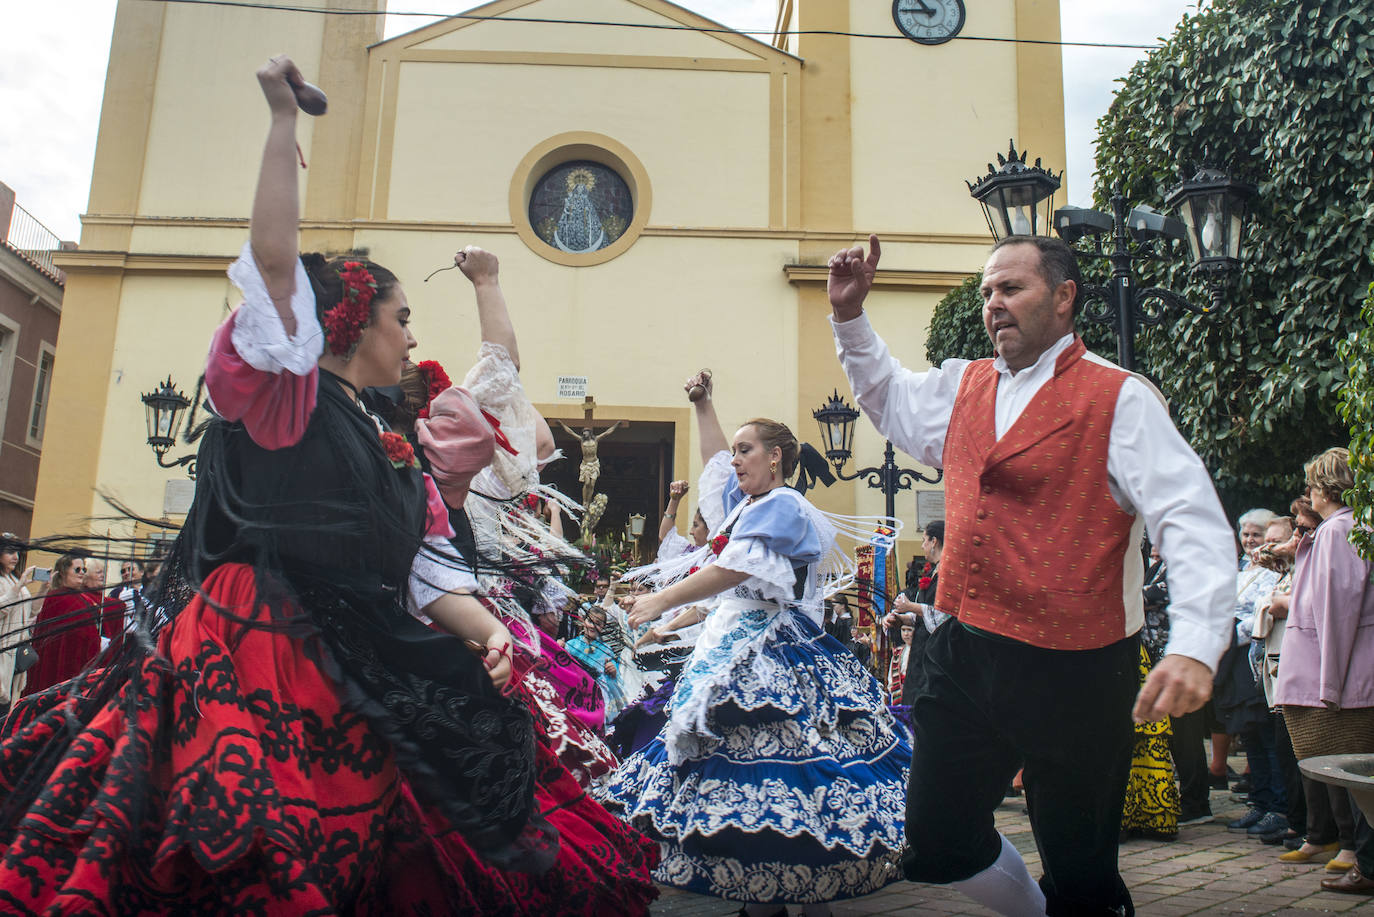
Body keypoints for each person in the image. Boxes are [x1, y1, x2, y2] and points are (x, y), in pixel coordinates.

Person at [0, 57, 657, 914]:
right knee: (259, 838)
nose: (412, 329)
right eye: (402, 314)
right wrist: (283, 125)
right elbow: (277, 267)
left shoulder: (389, 440)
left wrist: (487, 628)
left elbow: (427, 565)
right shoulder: (288, 399)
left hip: (358, 640)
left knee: (383, 835)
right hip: (260, 643)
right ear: (352, 321)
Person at [827, 233, 1235, 915]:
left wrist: (1196, 641)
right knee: (936, 836)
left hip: (1079, 666)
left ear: (1064, 297)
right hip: (966, 651)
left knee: (1080, 869)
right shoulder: (965, 384)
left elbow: (1188, 516)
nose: (994, 304)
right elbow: (890, 399)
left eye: (1011, 289)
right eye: (987, 291)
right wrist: (849, 317)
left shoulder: (1120, 398)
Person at [600, 372, 911, 914]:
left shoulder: (783, 507)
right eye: (739, 451)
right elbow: (719, 466)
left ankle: (802, 887)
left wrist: (659, 602)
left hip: (769, 651)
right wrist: (703, 404)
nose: (737, 460)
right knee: (739, 772)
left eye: (749, 451)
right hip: (733, 643)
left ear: (776, 459)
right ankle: (762, 891)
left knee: (792, 765)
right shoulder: (749, 506)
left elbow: (732, 568)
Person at [1275, 447, 1374, 896]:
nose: (1308, 493)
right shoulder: (1340, 529)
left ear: (1325, 487)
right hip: (1343, 676)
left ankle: (1366, 863)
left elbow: (1338, 611)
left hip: (1343, 680)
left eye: (1313, 485)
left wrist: (1328, 686)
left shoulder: (1340, 531)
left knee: (1356, 776)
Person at [22, 554, 121, 696]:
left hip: (78, 666)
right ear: (63, 572)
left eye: (84, 569)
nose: (81, 572)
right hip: (61, 668)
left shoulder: (81, 598)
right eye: (77, 569)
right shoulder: (56, 598)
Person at [884, 520, 944, 706]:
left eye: (924, 540)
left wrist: (910, 606)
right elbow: (925, 613)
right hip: (923, 648)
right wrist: (902, 619)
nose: (922, 545)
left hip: (937, 651)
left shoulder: (947, 572)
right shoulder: (934, 571)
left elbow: (943, 615)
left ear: (934, 541)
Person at [0, 536, 39, 706]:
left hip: (16, 655)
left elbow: (31, 614)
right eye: (10, 552)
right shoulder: (11, 583)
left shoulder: (16, 581)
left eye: (17, 552)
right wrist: (17, 588)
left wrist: (44, 590)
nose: (16, 556)